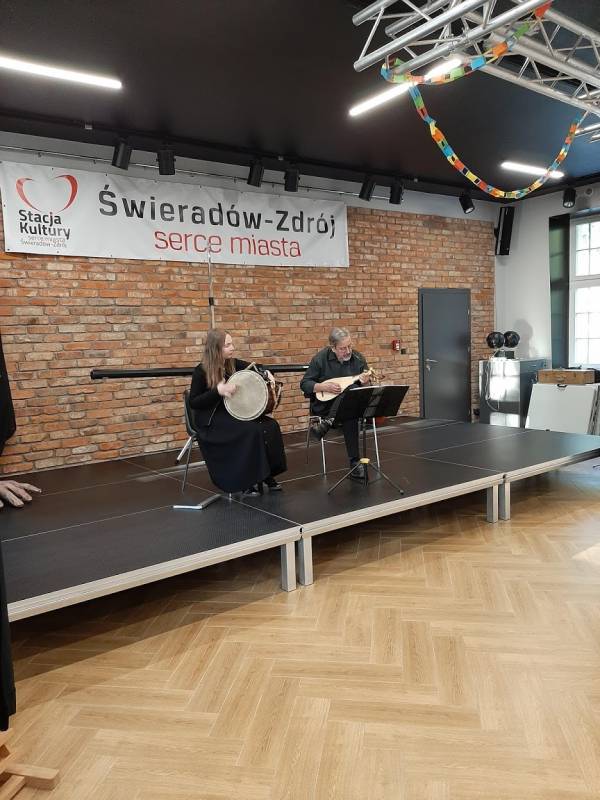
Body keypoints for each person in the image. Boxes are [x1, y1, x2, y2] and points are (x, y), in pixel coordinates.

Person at [189, 329, 287, 495]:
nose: (232, 348)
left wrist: (266, 372)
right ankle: (247, 480)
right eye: (227, 345)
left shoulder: (232, 363)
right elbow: (194, 402)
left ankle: (266, 473)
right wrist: (218, 391)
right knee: (250, 430)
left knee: (270, 425)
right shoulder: (201, 370)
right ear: (216, 348)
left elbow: (256, 367)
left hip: (232, 412)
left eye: (232, 344)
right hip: (212, 418)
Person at [301, 327, 371, 480]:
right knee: (350, 404)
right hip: (325, 407)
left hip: (349, 409)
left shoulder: (358, 358)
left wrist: (366, 382)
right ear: (333, 347)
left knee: (351, 393)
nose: (348, 351)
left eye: (349, 346)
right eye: (343, 348)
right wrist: (322, 387)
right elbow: (304, 384)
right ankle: (355, 463)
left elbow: (367, 388)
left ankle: (329, 425)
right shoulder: (320, 359)